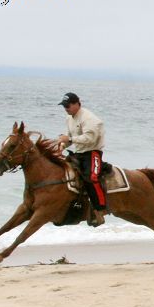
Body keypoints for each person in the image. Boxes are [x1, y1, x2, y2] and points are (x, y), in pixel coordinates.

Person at [57, 92, 107, 227]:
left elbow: (90, 138)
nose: (66, 108)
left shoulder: (89, 118)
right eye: (64, 106)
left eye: (68, 106)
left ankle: (100, 209)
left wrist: (70, 139)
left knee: (92, 177)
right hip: (78, 153)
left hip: (92, 152)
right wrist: (62, 145)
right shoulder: (69, 118)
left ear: (77, 104)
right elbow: (68, 138)